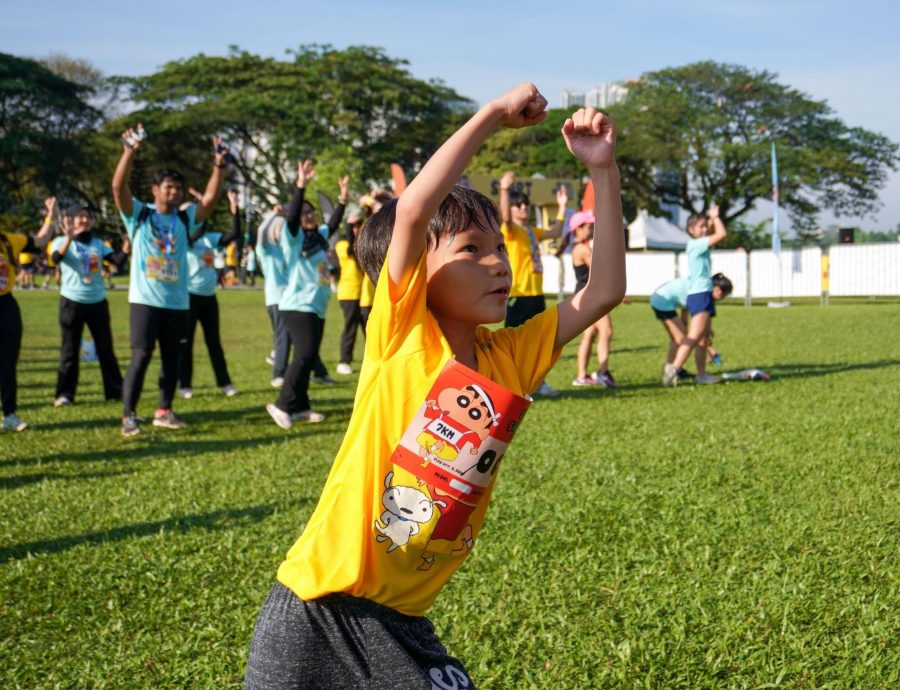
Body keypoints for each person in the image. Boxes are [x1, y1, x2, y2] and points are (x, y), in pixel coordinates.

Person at [244, 84, 626, 689]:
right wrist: (493, 117)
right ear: (416, 273)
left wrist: (603, 172)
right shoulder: (402, 337)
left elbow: (602, 291)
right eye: (472, 250)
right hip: (318, 610)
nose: (498, 262)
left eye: (498, 247)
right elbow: (415, 208)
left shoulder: (510, 358)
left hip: (402, 621)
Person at [112, 124, 228, 436]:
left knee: (172, 358)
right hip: (145, 301)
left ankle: (164, 410)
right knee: (141, 356)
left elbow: (211, 200)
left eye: (177, 188)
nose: (173, 192)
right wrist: (128, 152)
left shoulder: (183, 218)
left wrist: (219, 165)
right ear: (155, 190)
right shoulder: (140, 214)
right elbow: (117, 189)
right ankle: (128, 416)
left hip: (177, 301)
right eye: (168, 187)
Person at [264, 165, 347, 428]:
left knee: (309, 356)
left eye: (311, 212)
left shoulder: (319, 237)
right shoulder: (294, 238)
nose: (309, 216)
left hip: (317, 306)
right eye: (304, 213)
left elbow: (332, 224)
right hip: (297, 305)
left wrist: (343, 199)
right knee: (303, 354)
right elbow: (290, 219)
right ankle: (282, 404)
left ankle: (300, 407)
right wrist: (300, 185)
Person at [46, 204, 129, 406]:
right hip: (72, 303)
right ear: (72, 220)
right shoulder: (61, 240)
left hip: (97, 302)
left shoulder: (98, 244)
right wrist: (69, 238)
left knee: (106, 349)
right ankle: (64, 395)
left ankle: (115, 392)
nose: (84, 220)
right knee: (70, 351)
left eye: (87, 217)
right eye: (80, 217)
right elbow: (56, 259)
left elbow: (117, 260)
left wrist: (126, 246)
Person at [498, 169, 565, 397]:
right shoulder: (511, 230)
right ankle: (510, 385)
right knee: (515, 344)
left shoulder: (531, 231)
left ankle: (537, 383)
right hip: (519, 294)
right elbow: (505, 218)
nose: (523, 208)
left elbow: (556, 231)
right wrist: (505, 189)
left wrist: (562, 206)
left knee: (539, 343)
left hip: (536, 294)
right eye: (519, 205)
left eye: (526, 204)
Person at [175, 189, 242, 399]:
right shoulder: (182, 239)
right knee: (186, 343)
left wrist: (234, 210)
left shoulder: (208, 239)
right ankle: (184, 384)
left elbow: (233, 234)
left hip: (208, 297)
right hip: (189, 297)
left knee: (214, 342)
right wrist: (198, 202)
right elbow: (188, 229)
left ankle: (225, 383)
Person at [662, 206, 728, 387]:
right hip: (700, 294)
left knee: (704, 338)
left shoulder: (699, 244)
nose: (705, 229)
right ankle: (673, 368)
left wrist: (711, 221)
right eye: (701, 226)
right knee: (694, 336)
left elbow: (715, 237)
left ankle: (701, 375)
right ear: (691, 230)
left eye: (706, 226)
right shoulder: (696, 244)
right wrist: (715, 218)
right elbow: (721, 234)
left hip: (703, 293)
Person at [568, 210, 618, 388]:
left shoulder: (578, 247)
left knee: (589, 335)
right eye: (589, 226)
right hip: (591, 296)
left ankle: (581, 376)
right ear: (578, 229)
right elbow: (599, 272)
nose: (592, 228)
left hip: (584, 296)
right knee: (607, 330)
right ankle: (603, 372)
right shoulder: (583, 249)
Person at [651, 273, 732, 381]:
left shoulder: (699, 286)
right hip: (663, 302)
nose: (723, 298)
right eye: (724, 295)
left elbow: (686, 307)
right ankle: (672, 370)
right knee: (680, 339)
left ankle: (673, 368)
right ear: (717, 290)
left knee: (679, 339)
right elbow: (699, 332)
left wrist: (685, 323)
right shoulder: (703, 293)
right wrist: (710, 348)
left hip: (661, 299)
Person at [1, 228, 30, 431]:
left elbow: (38, 241)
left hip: (6, 306)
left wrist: (50, 217)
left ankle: (9, 414)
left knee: (8, 364)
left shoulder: (7, 239)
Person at [334, 208, 367, 376]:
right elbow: (350, 251)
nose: (356, 228)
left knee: (370, 329)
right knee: (350, 328)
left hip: (365, 295)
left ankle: (373, 360)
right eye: (352, 226)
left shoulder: (363, 243)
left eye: (358, 225)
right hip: (348, 294)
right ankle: (344, 361)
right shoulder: (342, 245)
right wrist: (348, 225)